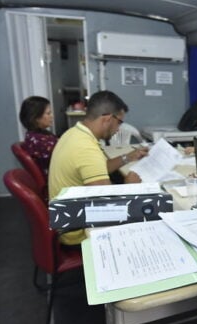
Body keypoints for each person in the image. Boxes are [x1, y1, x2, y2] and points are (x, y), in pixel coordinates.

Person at [48, 90, 148, 245]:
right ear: (108, 119)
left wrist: (128, 157)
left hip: (66, 215)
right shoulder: (86, 149)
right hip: (75, 230)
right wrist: (130, 187)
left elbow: (99, 169)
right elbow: (108, 209)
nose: (119, 129)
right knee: (148, 213)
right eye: (120, 122)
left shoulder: (74, 133)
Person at [19, 96, 58, 179]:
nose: (52, 116)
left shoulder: (36, 135)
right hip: (55, 180)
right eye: (48, 113)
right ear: (36, 117)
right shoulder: (40, 141)